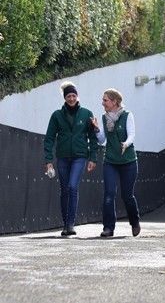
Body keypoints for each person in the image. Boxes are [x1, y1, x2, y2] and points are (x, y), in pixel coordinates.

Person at [43, 82, 98, 236]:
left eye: (74, 95)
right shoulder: (57, 115)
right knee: (65, 190)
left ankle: (71, 224)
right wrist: (48, 161)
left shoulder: (87, 114)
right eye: (68, 96)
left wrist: (93, 158)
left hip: (80, 157)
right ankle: (65, 224)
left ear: (77, 96)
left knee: (73, 186)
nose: (72, 98)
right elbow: (49, 139)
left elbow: (93, 138)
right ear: (65, 98)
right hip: (62, 158)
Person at [91, 88, 141, 238]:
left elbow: (132, 134)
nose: (102, 103)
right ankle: (108, 228)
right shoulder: (104, 118)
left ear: (114, 102)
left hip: (128, 161)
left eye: (105, 100)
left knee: (127, 195)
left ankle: (135, 221)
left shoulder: (127, 115)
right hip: (111, 161)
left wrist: (126, 143)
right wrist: (97, 129)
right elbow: (102, 140)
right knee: (109, 194)